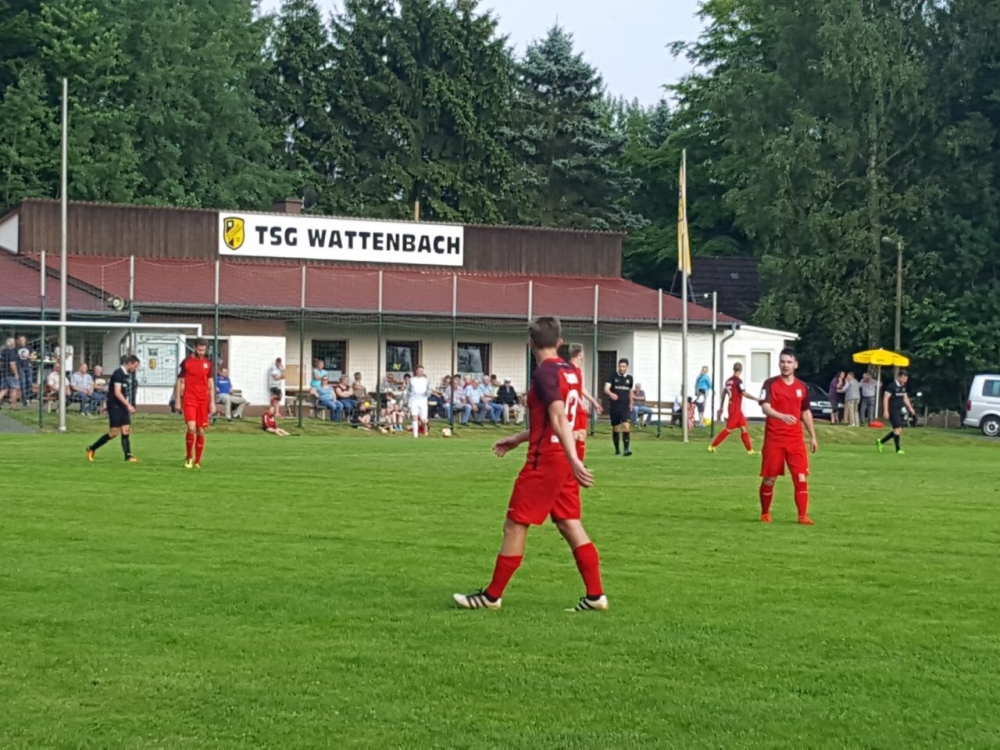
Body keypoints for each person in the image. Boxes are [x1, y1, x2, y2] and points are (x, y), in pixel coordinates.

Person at [453, 316, 604, 613]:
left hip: (548, 459)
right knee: (568, 521)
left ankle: (491, 597)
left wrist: (572, 460)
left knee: (515, 523)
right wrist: (519, 439)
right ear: (559, 342)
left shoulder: (544, 373)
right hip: (566, 454)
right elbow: (564, 419)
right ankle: (596, 595)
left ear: (529, 342)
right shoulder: (570, 371)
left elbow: (558, 416)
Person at [758, 348, 818, 525]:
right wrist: (781, 416)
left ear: (795, 364)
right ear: (779, 363)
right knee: (770, 478)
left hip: (795, 439)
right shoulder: (770, 384)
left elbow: (805, 412)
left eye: (789, 362)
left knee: (801, 476)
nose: (785, 365)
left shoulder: (802, 387)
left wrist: (813, 436)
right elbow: (765, 407)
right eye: (783, 362)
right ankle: (765, 512)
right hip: (774, 438)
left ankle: (802, 516)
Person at [86, 355, 141, 462]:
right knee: (113, 433)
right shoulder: (118, 373)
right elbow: (117, 392)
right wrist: (128, 405)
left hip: (122, 405)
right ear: (129, 363)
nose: (135, 369)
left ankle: (128, 456)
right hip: (115, 405)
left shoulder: (126, 375)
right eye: (135, 366)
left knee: (126, 430)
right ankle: (91, 448)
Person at [175, 338, 216, 469]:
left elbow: (211, 383)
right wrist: (178, 400)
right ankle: (189, 457)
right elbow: (179, 381)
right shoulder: (186, 362)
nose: (202, 352)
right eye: (199, 350)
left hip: (203, 400)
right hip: (189, 399)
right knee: (191, 428)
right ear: (194, 348)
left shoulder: (208, 363)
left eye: (204, 350)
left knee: (201, 430)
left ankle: (198, 461)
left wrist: (212, 402)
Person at [709, 362, 758, 453]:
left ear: (733, 369)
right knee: (729, 429)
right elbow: (744, 393)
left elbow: (724, 393)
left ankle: (750, 450)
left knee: (743, 428)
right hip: (735, 409)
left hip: (734, 408)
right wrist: (756, 399)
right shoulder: (738, 381)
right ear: (741, 370)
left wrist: (721, 406)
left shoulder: (728, 381)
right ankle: (712, 446)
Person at [878, 370, 915, 455]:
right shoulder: (891, 386)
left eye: (906, 379)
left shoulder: (903, 386)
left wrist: (910, 408)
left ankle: (881, 442)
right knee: (898, 428)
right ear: (898, 377)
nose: (905, 380)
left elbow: (905, 398)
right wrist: (886, 411)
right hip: (892, 410)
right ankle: (898, 449)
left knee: (899, 429)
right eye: (903, 378)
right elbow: (885, 398)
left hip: (899, 409)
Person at [603, 358, 634, 456]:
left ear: (627, 367)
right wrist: (611, 394)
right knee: (616, 428)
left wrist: (631, 403)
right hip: (615, 407)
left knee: (626, 426)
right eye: (620, 366)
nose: (621, 368)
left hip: (625, 407)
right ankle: (617, 449)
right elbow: (606, 388)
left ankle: (626, 449)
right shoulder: (612, 376)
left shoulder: (630, 378)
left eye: (623, 366)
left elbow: (630, 392)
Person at [407, 365, 431, 438]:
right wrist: (408, 397)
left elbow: (429, 390)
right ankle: (415, 435)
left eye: (422, 371)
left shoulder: (426, 380)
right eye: (420, 371)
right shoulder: (412, 380)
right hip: (414, 400)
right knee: (415, 417)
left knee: (423, 420)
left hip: (423, 400)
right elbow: (408, 390)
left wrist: (427, 394)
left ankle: (426, 431)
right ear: (416, 371)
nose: (421, 372)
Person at [0, 336, 21, 407]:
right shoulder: (12, 352)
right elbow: (12, 364)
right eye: (14, 342)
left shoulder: (3, 351)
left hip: (4, 372)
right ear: (12, 343)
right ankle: (13, 405)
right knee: (14, 388)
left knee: (4, 389)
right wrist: (16, 373)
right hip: (11, 373)